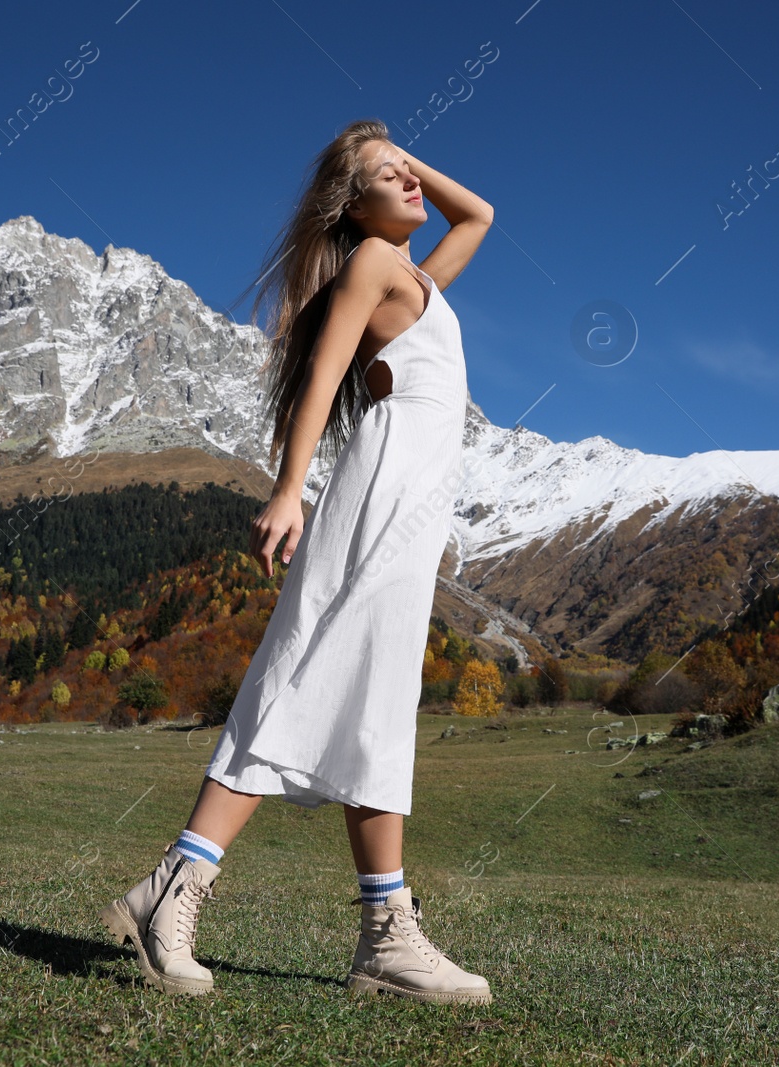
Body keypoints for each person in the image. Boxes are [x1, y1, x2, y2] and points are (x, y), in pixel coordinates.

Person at [97, 119, 494, 1004]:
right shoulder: (372, 266)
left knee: (373, 703)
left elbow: (480, 216)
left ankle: (384, 933)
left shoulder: (417, 275)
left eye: (410, 172)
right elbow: (320, 374)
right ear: (350, 206)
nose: (413, 183)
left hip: (410, 517)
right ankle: (182, 883)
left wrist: (389, 155)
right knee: (306, 677)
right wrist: (289, 488)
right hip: (377, 503)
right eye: (391, 178)